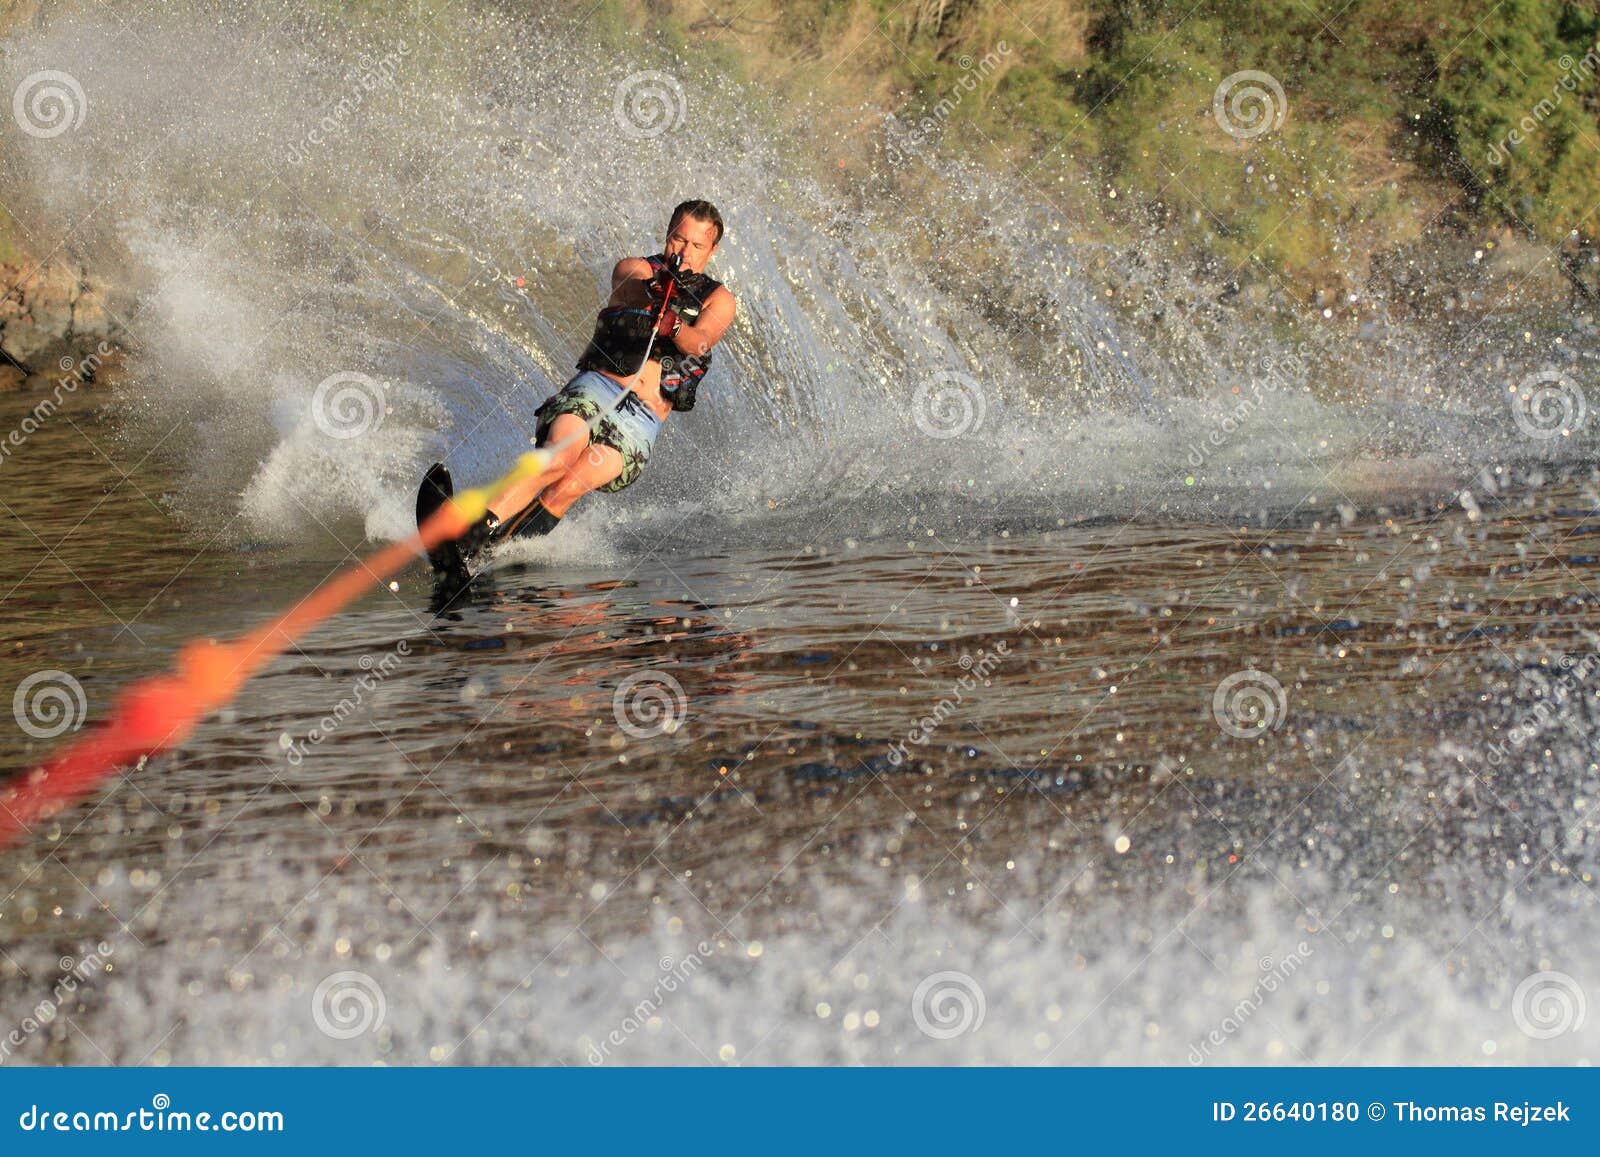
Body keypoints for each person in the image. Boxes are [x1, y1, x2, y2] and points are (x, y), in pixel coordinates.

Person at [424, 199, 736, 573]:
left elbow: (700, 340)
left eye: (697, 246)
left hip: (640, 421)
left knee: (571, 485)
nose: (684, 252)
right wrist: (656, 294)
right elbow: (632, 288)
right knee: (559, 458)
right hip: (597, 390)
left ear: (712, 250)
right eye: (678, 240)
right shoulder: (635, 268)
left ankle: (492, 557)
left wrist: (672, 325)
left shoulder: (719, 300)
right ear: (667, 235)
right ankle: (469, 535)